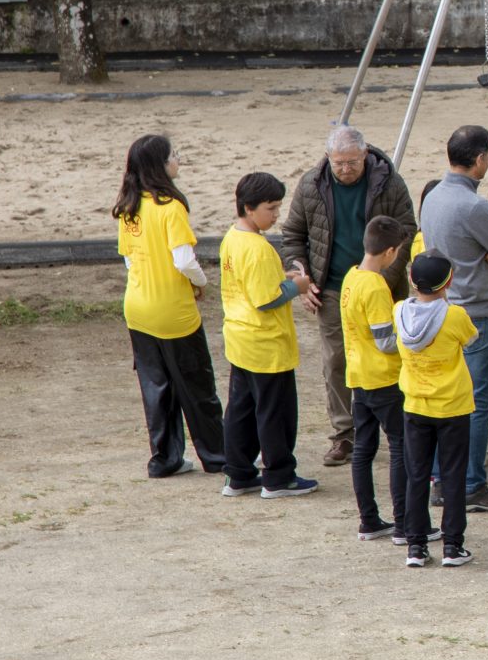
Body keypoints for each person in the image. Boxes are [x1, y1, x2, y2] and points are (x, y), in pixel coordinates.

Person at [274, 125, 416, 467]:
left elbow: (408, 230)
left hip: (382, 286)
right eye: (339, 163)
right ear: (328, 158)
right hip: (334, 289)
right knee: (337, 362)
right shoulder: (311, 185)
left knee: (391, 356)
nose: (345, 169)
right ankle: (344, 435)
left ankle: (401, 428)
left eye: (352, 162)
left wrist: (383, 278)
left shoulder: (389, 182)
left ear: (365, 155)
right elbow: (293, 234)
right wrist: (301, 279)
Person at [416, 124, 488, 517]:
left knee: (452, 400)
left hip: (447, 307)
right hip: (480, 311)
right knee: (478, 404)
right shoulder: (475, 206)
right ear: (479, 159)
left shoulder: (434, 196)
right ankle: (473, 484)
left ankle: (445, 477)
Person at [113, 135, 224, 479]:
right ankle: (218, 455)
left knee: (156, 387)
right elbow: (184, 260)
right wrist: (201, 283)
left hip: (138, 308)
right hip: (172, 310)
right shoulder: (171, 207)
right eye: (173, 155)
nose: (179, 159)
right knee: (197, 387)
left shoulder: (129, 207)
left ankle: (165, 458)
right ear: (159, 165)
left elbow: (130, 262)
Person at [219, 171, 318, 500]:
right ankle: (278, 476)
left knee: (241, 409)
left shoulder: (232, 238)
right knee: (275, 413)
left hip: (239, 338)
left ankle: (238, 473)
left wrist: (282, 278)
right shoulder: (258, 248)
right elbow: (267, 299)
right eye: (270, 208)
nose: (276, 215)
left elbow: (257, 285)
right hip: (265, 343)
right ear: (249, 208)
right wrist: (297, 286)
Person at [394, 253, 478, 568]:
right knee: (453, 476)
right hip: (452, 405)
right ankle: (453, 546)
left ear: (412, 281)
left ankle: (415, 545)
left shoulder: (399, 310)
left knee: (417, 474)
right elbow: (471, 338)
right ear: (449, 281)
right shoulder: (454, 315)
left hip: (415, 404)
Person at [339, 216, 411, 544]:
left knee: (364, 450)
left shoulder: (351, 277)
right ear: (391, 252)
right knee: (400, 447)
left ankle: (368, 519)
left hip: (358, 376)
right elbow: (385, 340)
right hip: (384, 377)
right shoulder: (376, 286)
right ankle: (404, 523)